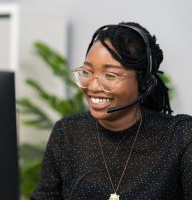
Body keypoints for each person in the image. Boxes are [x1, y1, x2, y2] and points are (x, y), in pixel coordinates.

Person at [31, 22, 192, 200]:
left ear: (144, 82)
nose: (92, 86)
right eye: (87, 72)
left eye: (110, 76)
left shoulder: (181, 137)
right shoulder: (67, 133)